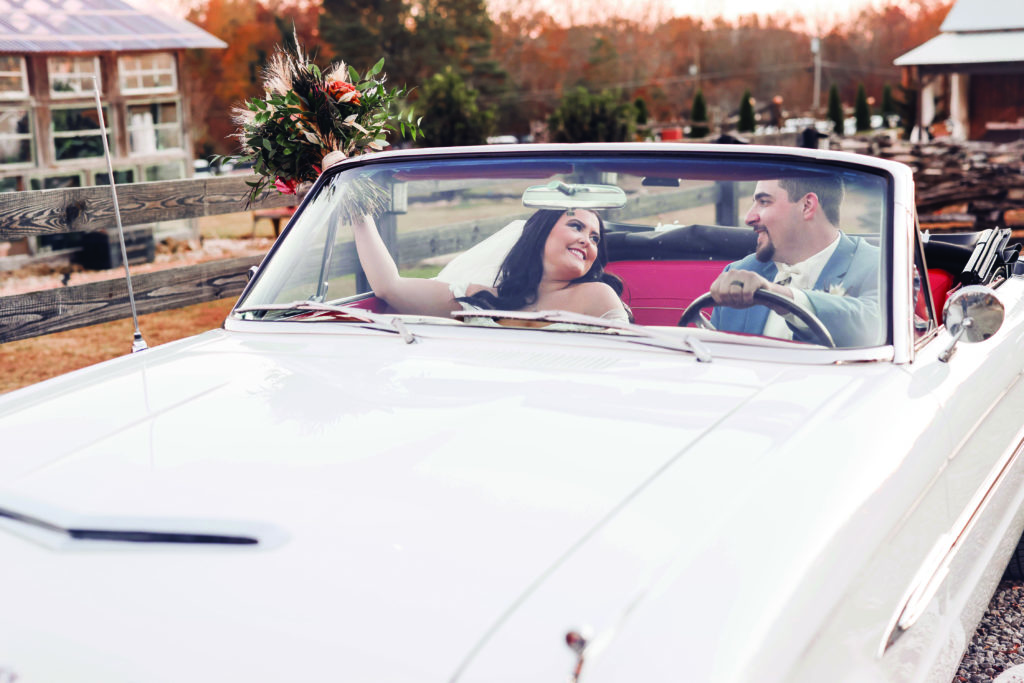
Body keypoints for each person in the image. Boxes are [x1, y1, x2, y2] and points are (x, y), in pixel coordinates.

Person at [351, 208, 630, 322]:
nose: (587, 241)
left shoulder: (597, 295)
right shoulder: (486, 298)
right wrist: (357, 207)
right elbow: (389, 287)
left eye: (594, 237)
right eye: (576, 227)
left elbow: (624, 365)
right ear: (541, 232)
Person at [708, 176, 880, 347]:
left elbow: (874, 327)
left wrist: (774, 294)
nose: (749, 217)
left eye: (764, 202)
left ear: (807, 206)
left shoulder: (879, 266)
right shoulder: (739, 272)